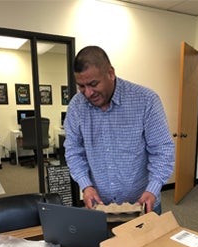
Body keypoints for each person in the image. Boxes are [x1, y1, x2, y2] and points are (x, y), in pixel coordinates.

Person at [64, 46, 175, 214]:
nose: (88, 93)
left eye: (93, 84)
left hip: (143, 205)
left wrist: (153, 188)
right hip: (100, 207)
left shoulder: (146, 100)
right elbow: (73, 151)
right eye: (81, 86)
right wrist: (85, 185)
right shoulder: (76, 106)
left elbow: (163, 150)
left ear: (111, 73)